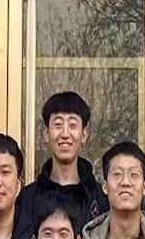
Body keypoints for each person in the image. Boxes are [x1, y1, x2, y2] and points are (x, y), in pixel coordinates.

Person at [18, 90, 108, 230]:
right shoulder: (28, 199)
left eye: (72, 125)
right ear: (46, 134)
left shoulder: (100, 197)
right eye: (58, 125)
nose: (65, 134)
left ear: (84, 135)